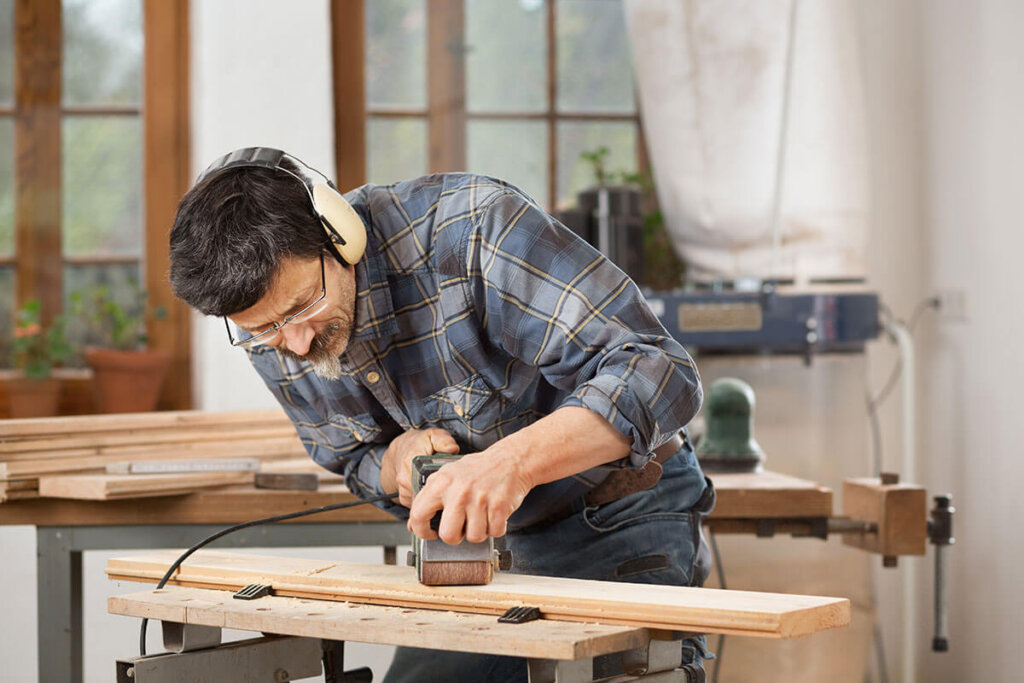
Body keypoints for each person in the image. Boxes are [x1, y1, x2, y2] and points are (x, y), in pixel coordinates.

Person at [169, 147, 715, 682]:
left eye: (304, 305)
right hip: (478, 554)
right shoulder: (276, 334)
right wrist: (394, 461)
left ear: (338, 233)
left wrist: (511, 465)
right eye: (262, 329)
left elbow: (658, 371)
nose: (297, 340)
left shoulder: (474, 229)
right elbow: (350, 458)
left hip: (616, 512)